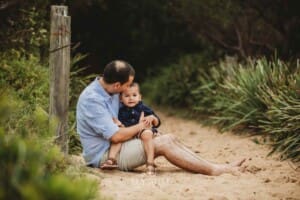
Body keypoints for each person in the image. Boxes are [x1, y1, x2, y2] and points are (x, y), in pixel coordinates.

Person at [76, 60, 246, 175]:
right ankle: (215, 170)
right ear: (117, 85)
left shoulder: (110, 89)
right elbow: (116, 136)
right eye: (127, 85)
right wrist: (142, 126)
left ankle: (214, 166)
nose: (128, 89)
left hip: (119, 144)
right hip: (104, 155)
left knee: (168, 138)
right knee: (164, 143)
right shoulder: (92, 100)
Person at [100, 82, 160, 175]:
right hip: (128, 132)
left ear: (139, 97)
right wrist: (118, 124)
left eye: (134, 95)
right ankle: (111, 160)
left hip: (141, 131)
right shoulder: (120, 110)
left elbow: (157, 122)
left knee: (147, 134)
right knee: (117, 137)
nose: (131, 98)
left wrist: (152, 118)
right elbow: (115, 122)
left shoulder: (143, 108)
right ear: (121, 98)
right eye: (127, 96)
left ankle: (150, 163)